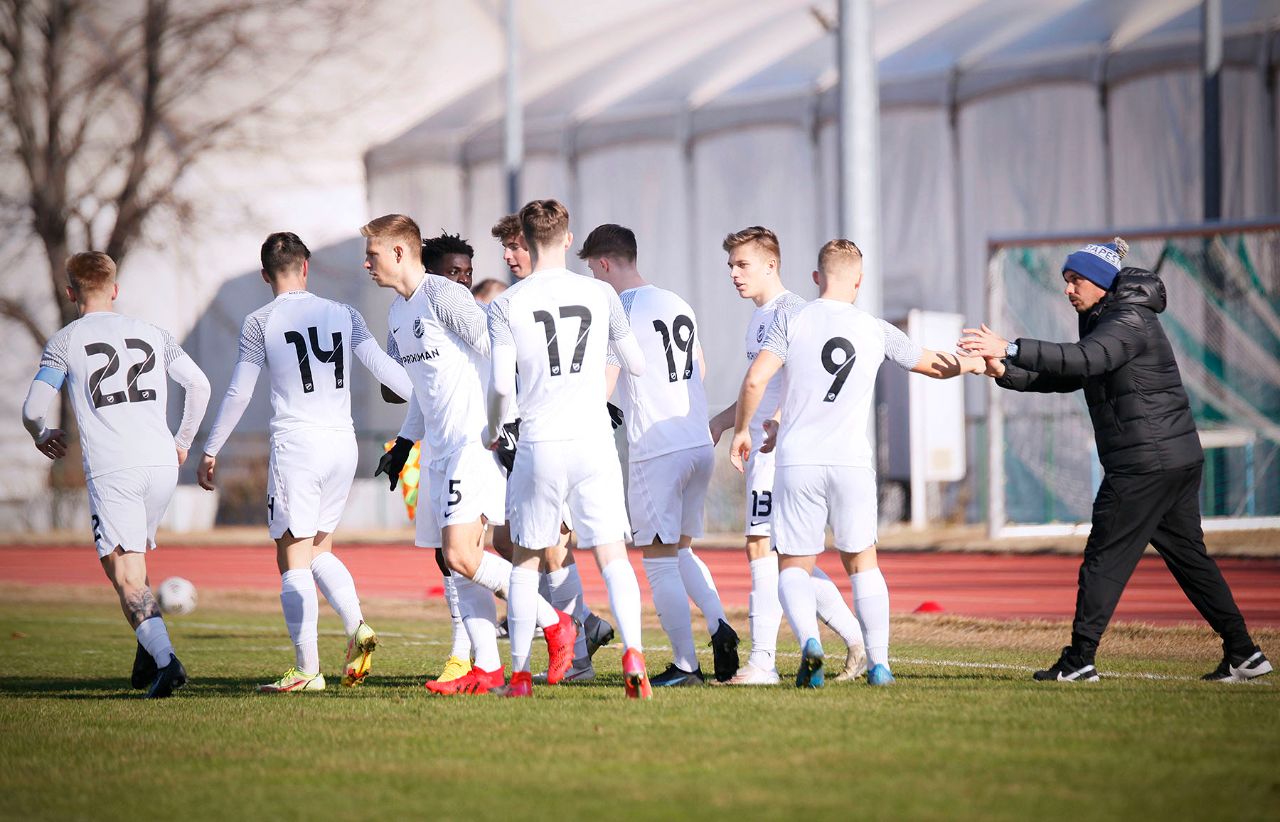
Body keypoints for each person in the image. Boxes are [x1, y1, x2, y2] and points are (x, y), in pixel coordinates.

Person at [959, 238, 1271, 683]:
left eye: (1076, 280)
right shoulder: (1106, 317)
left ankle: (1079, 661)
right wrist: (1004, 371)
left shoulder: (1127, 319)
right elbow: (1077, 373)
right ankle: (1245, 653)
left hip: (1144, 463)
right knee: (1191, 561)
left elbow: (1083, 359)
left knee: (1103, 560)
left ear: (1102, 282)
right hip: (1171, 459)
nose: (1068, 289)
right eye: (1066, 280)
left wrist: (1010, 347)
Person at [733, 239, 983, 687]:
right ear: (860, 281)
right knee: (863, 563)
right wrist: (976, 363)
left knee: (792, 564)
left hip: (799, 461)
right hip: (851, 463)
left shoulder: (792, 318)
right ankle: (880, 664)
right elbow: (933, 364)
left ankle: (811, 644)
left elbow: (755, 380)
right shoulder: (875, 329)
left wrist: (741, 431)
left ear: (816, 277)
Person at [364, 213, 576, 695]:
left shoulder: (445, 296)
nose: (367, 264)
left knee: (462, 555)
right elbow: (422, 390)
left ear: (399, 252)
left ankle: (555, 623)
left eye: (372, 254)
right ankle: (488, 669)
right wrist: (404, 443)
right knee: (455, 562)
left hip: (473, 443)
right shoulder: (397, 313)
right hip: (438, 451)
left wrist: (512, 422)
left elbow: (501, 353)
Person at [197, 232, 409, 693]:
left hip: (298, 446)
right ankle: (357, 627)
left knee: (292, 556)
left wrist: (210, 449)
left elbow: (239, 392)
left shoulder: (259, 322)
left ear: (264, 275)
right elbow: (384, 368)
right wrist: (434, 401)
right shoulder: (345, 313)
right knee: (319, 550)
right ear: (306, 267)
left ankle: (307, 670)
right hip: (342, 444)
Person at [22, 251, 210, 698]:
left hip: (115, 467)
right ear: (115, 289)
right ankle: (148, 649)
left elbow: (32, 409)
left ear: (71, 293)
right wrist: (182, 440)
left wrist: (41, 434)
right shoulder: (152, 332)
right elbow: (199, 384)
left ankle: (166, 662)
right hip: (161, 463)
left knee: (124, 575)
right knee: (134, 565)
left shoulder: (65, 341)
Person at [486, 199, 651, 698]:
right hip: (593, 439)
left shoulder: (507, 303)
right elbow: (636, 363)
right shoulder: (600, 293)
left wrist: (496, 427)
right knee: (612, 555)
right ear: (567, 237)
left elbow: (501, 385)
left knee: (525, 561)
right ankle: (634, 654)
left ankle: (519, 675)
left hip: (540, 439)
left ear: (526, 239)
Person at [708, 226, 870, 685]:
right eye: (731, 265)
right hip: (765, 448)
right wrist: (723, 422)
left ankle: (763, 662)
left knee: (761, 546)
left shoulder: (792, 311)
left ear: (771, 264)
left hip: (779, 451)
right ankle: (858, 643)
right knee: (789, 559)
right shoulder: (759, 317)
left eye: (743, 264)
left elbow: (802, 382)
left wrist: (774, 422)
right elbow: (762, 387)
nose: (734, 274)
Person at [584, 223, 740, 686]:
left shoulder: (618, 308)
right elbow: (700, 368)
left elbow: (607, 379)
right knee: (681, 549)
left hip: (657, 448)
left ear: (604, 263)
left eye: (592, 270)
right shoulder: (676, 301)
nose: (593, 279)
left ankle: (686, 665)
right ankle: (720, 625)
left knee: (657, 559)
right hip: (696, 439)